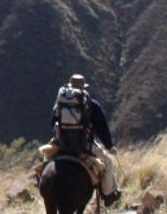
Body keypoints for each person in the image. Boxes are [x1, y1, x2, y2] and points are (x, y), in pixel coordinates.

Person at [37, 74, 122, 207]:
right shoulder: (91, 104)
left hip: (62, 144)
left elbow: (53, 122)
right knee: (107, 162)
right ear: (83, 87)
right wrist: (109, 146)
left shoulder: (60, 101)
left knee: (44, 163)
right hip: (83, 146)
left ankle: (40, 183)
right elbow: (102, 128)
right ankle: (109, 194)